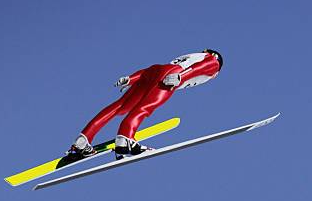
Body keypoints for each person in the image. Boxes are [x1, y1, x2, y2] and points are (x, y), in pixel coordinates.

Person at [68, 49, 223, 158]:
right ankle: (125, 139)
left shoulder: (194, 54)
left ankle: (83, 139)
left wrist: (132, 78)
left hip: (155, 71)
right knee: (145, 108)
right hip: (171, 75)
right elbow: (203, 66)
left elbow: (153, 70)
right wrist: (181, 77)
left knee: (120, 106)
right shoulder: (213, 62)